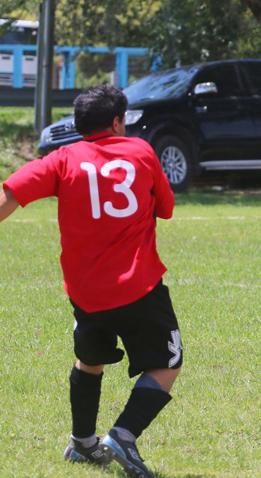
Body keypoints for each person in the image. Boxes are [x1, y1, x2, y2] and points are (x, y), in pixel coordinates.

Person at [0, 85, 182, 477]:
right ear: (117, 122)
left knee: (91, 358)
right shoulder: (141, 152)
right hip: (138, 286)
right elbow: (166, 208)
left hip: (86, 292)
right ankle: (123, 436)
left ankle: (82, 442)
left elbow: (10, 195)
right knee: (167, 363)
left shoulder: (61, 159)